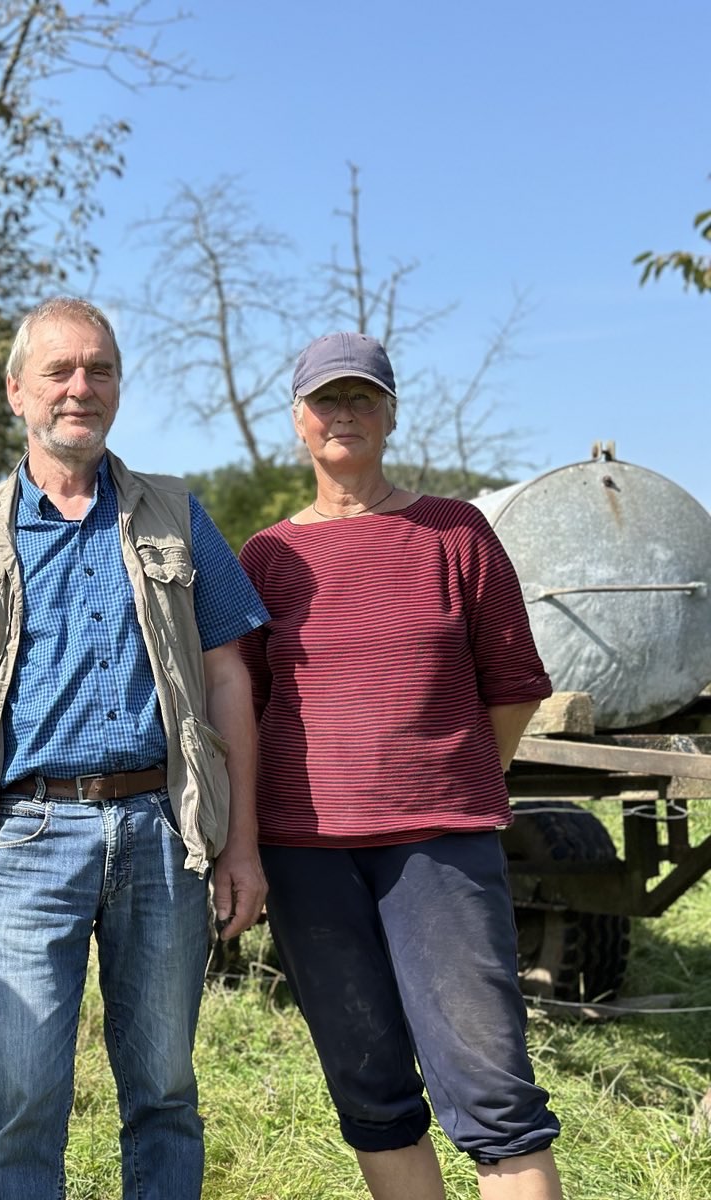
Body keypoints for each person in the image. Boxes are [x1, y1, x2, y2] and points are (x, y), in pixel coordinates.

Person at [0, 296, 270, 1199]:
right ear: (17, 390)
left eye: (99, 369)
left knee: (165, 1091)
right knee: (23, 1097)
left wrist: (240, 844)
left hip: (161, 834)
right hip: (23, 837)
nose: (80, 388)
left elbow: (227, 685)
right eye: (59, 370)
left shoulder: (178, 516)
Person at [238, 331, 562, 1200]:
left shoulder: (456, 532)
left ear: (390, 411)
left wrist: (455, 783)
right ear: (298, 420)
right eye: (326, 400)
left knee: (494, 1095)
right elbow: (249, 702)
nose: (344, 414)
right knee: (370, 1087)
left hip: (439, 849)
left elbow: (513, 681)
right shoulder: (267, 557)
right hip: (305, 852)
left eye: (362, 397)